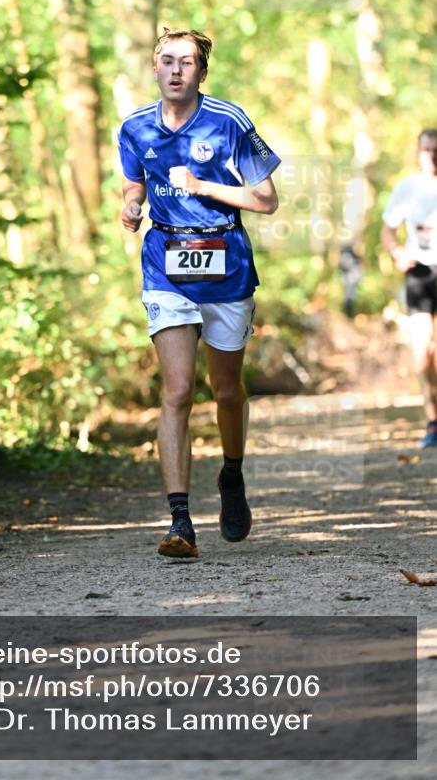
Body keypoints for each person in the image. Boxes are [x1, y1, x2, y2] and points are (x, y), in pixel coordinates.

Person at [118, 28, 280, 558]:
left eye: (186, 62)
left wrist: (207, 187)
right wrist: (131, 206)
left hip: (226, 263)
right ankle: (180, 521)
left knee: (227, 392)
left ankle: (231, 475)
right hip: (165, 264)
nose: (176, 70)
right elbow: (134, 182)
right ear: (154, 67)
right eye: (166, 61)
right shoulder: (134, 127)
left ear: (200, 72)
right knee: (179, 390)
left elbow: (266, 200)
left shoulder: (230, 121)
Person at [381, 129, 437, 449]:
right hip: (419, 272)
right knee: (422, 348)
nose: (431, 156)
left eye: (436, 150)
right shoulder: (408, 188)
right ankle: (432, 421)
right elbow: (388, 231)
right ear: (417, 153)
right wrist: (397, 253)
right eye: (426, 150)